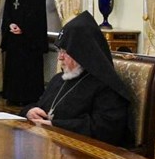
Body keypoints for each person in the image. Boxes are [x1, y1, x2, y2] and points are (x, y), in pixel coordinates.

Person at [22, 11, 134, 148]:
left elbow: (105, 131)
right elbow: (40, 105)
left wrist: (55, 125)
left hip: (91, 156)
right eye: (59, 51)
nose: (59, 58)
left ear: (82, 53)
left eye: (65, 52)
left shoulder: (106, 87)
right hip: (55, 147)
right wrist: (30, 111)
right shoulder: (60, 79)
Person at [0, 0, 49, 105]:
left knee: (28, 67)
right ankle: (12, 95)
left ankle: (28, 97)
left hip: (29, 37)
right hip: (14, 35)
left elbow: (36, 12)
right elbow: (8, 8)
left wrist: (23, 27)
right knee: (14, 67)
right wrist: (10, 24)